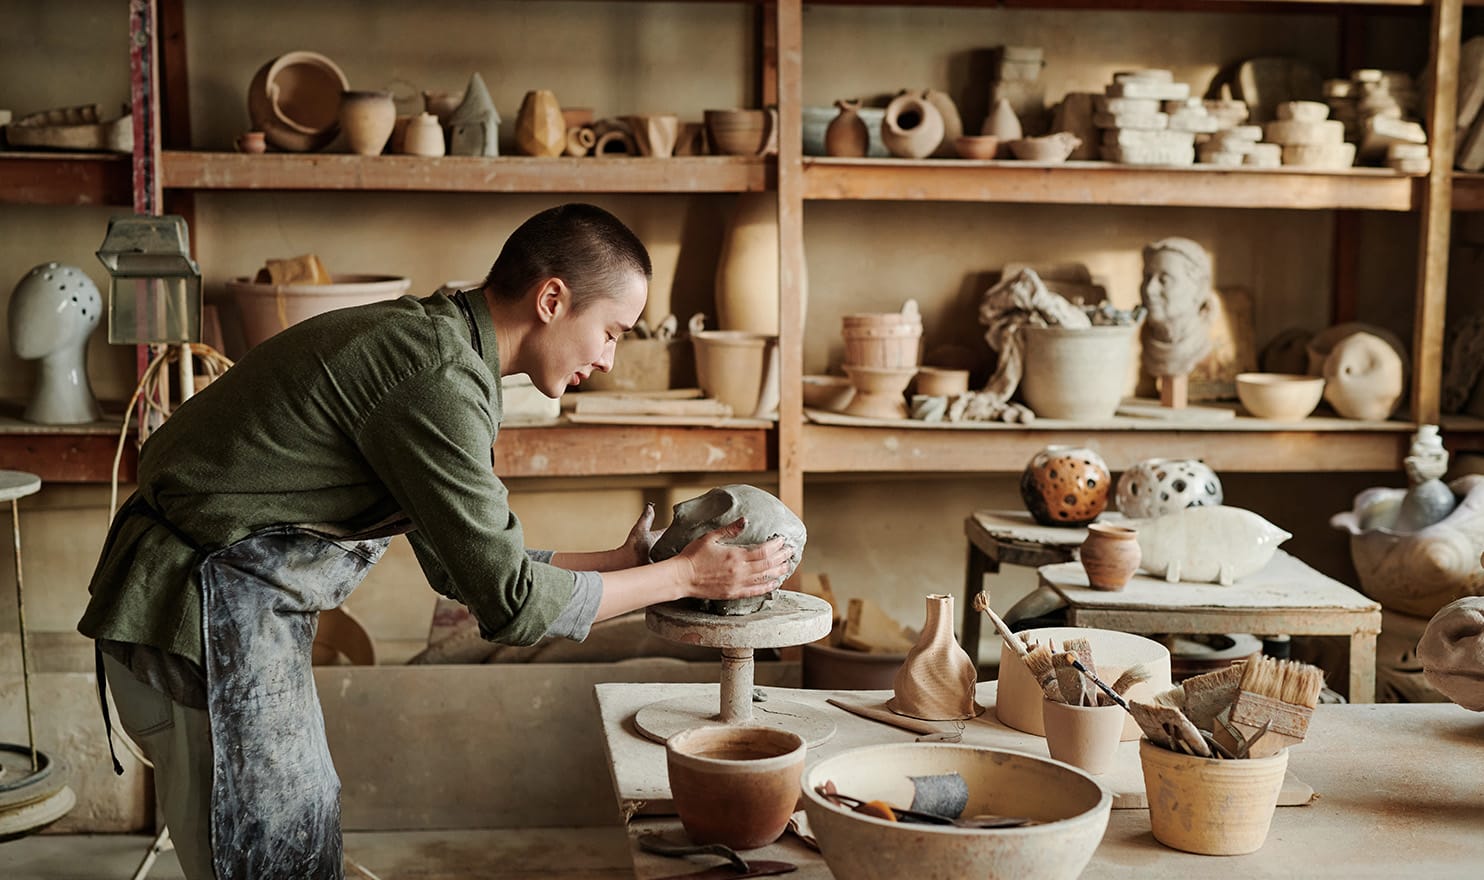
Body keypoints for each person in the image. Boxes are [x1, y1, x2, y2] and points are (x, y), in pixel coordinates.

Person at [77, 203, 795, 880]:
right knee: (271, 860)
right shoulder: (437, 381)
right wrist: (686, 580)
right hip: (188, 618)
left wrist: (626, 564)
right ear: (552, 300)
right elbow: (512, 605)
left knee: (298, 840)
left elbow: (467, 574)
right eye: (613, 330)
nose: (609, 359)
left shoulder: (441, 347)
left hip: (223, 615)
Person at [1139, 236, 1213, 379]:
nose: (1149, 290)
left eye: (1164, 280)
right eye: (1147, 278)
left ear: (1199, 289)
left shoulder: (1204, 342)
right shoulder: (1144, 340)